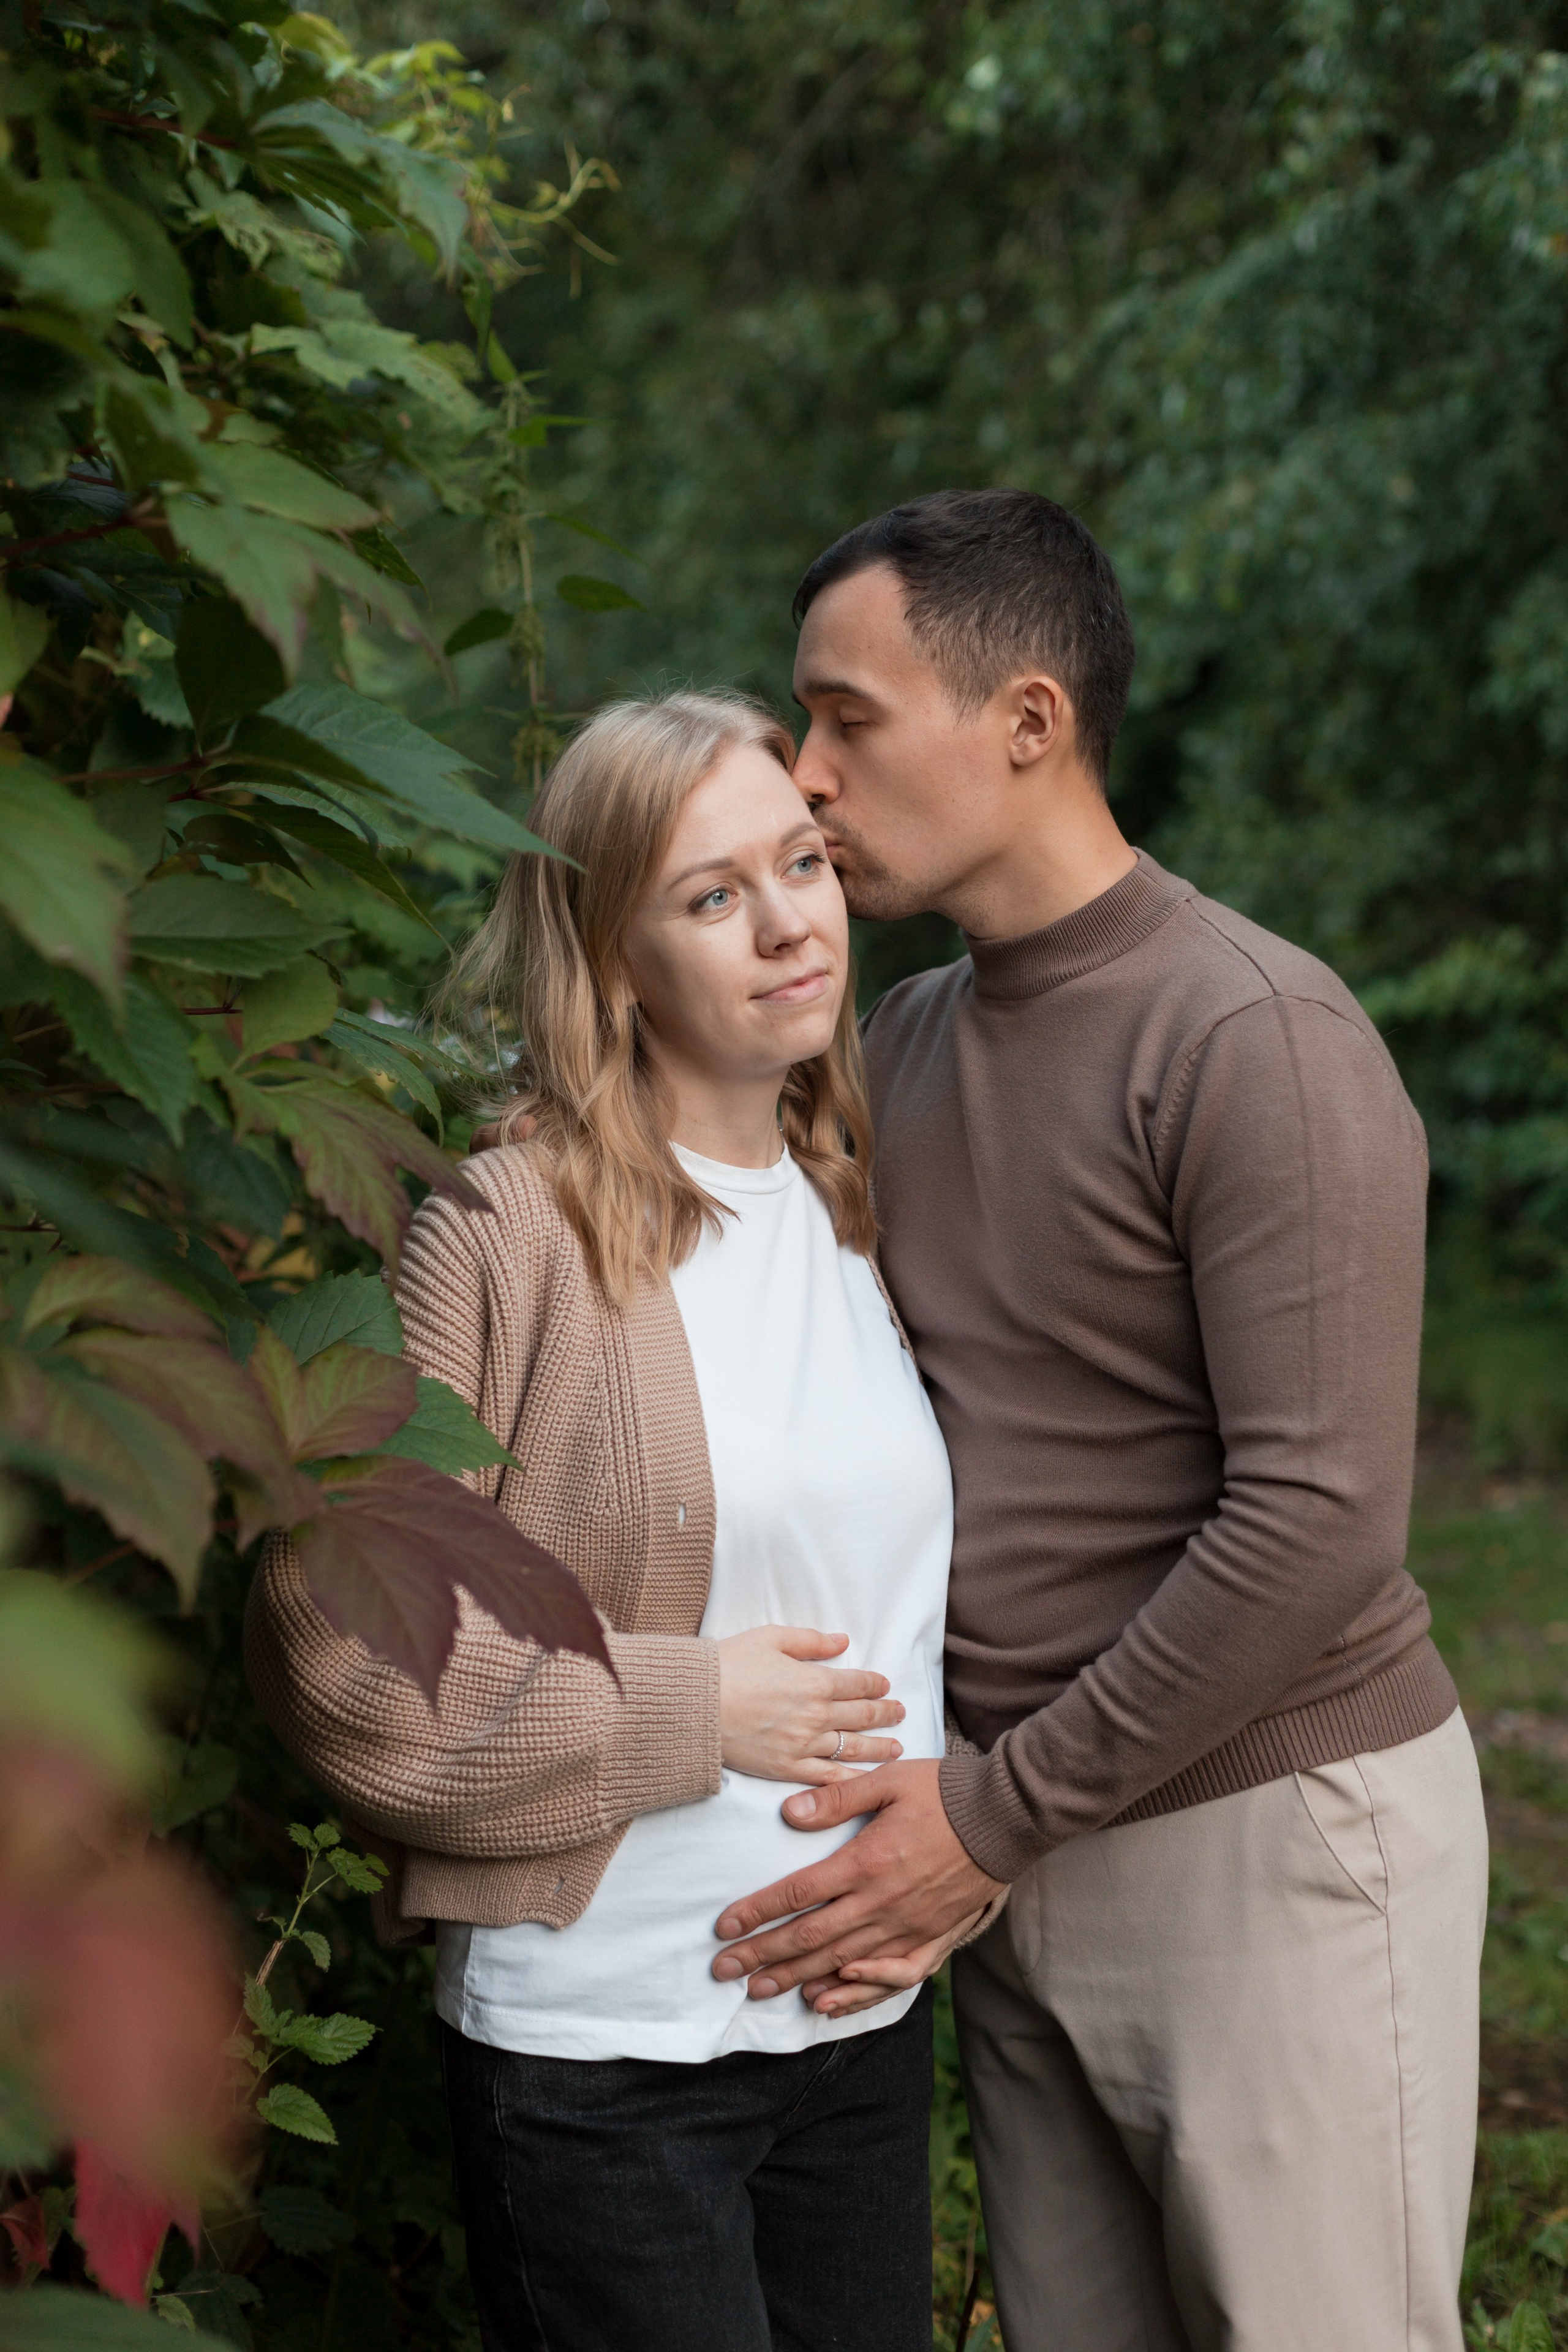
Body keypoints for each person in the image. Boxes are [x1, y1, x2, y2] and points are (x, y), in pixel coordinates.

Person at [707, 490, 1490, 2351]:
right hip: (1011, 1847)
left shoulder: (1256, 1039)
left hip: (1271, 1835)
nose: (804, 776)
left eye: (848, 719)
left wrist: (989, 1821)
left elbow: (1318, 1522)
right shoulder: (897, 1050)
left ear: (1029, 724)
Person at [244, 690, 978, 2352]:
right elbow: (340, 1658)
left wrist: (954, 1870)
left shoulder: (861, 1196)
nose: (790, 921)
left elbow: (921, 1616)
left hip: (857, 2032)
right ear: (610, 952)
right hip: (611, 2056)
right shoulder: (507, 1233)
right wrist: (690, 1706)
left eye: (802, 863)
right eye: (712, 895)